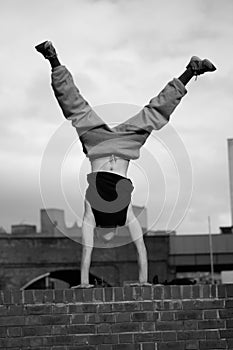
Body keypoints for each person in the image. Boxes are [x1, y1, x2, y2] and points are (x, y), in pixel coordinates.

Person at [35, 41, 216, 288]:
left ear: (100, 231)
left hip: (105, 146)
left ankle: (53, 59)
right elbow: (135, 246)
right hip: (119, 147)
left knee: (84, 108)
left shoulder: (95, 216)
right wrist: (141, 281)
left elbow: (92, 251)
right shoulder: (120, 214)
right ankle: (190, 71)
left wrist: (86, 282)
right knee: (147, 113)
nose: (106, 238)